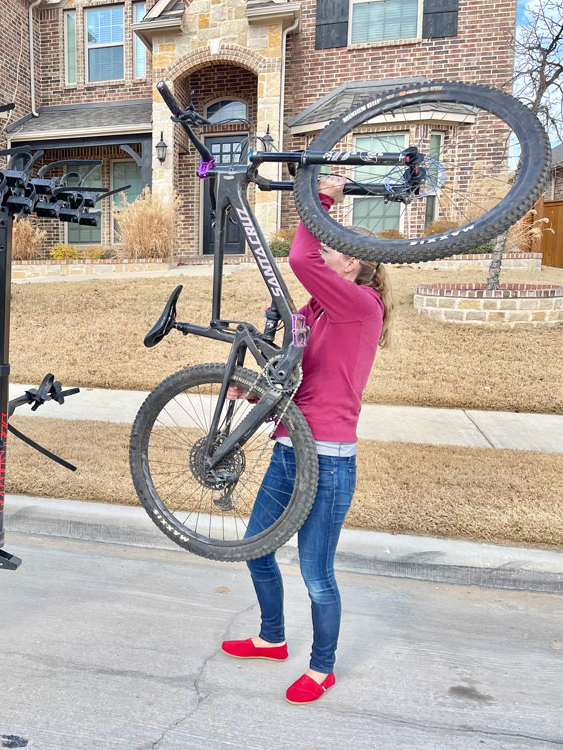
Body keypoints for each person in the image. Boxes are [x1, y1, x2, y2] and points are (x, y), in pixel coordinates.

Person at [221, 175, 394, 704]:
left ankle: (322, 668)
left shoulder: (361, 307)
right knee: (256, 548)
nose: (329, 249)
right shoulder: (314, 312)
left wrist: (320, 199)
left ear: (357, 265)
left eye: (339, 248)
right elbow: (289, 373)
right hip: (286, 448)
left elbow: (300, 259)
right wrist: (250, 397)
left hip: (329, 460)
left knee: (316, 572)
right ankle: (272, 638)